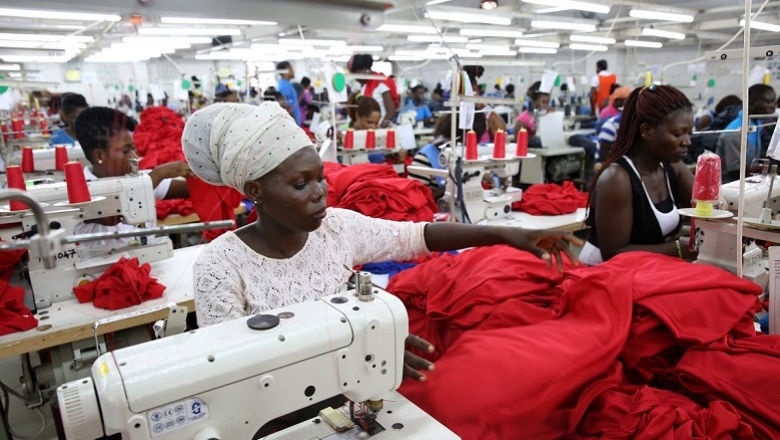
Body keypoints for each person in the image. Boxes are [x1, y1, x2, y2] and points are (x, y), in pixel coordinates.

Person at [183, 102, 582, 381]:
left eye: (320, 177)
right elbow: (235, 370)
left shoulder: (336, 229)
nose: (321, 192)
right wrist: (357, 350)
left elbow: (417, 236)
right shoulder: (220, 266)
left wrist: (502, 233)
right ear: (255, 189)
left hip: (350, 389)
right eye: (300, 184)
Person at [580, 85, 695, 265]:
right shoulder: (616, 179)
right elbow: (614, 253)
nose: (687, 142)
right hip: (602, 275)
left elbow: (708, 208)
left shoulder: (673, 167)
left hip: (646, 271)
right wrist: (678, 247)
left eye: (689, 133)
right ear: (646, 131)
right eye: (678, 134)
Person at [73, 107, 193, 249]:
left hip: (146, 264)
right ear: (99, 156)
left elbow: (191, 189)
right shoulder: (80, 193)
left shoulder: (138, 179)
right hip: (102, 270)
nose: (134, 157)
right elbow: (114, 208)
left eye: (133, 149)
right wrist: (160, 173)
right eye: (126, 151)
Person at [717, 84, 777, 181]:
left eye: (773, 102)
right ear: (751, 103)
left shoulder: (756, 124)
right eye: (768, 102)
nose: (773, 106)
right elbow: (736, 171)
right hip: (728, 186)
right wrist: (771, 168)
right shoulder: (734, 132)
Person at [348, 54, 399, 127]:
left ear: (365, 69)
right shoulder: (365, 86)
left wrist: (380, 127)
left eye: (357, 73)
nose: (356, 77)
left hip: (380, 128)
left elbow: (390, 111)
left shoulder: (381, 83)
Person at [276, 61, 302, 125]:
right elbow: (287, 109)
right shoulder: (284, 87)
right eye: (291, 69)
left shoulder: (288, 85)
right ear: (286, 71)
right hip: (292, 124)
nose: (293, 71)